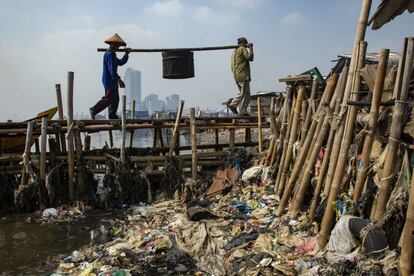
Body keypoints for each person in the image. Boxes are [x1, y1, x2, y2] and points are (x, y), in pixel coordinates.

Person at [90, 33, 131, 119]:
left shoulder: (112, 54)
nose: (118, 48)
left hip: (111, 80)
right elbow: (112, 71)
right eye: (117, 46)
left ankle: (112, 115)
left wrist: (126, 54)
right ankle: (94, 109)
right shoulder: (109, 54)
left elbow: (120, 62)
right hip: (109, 80)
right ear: (113, 45)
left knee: (115, 99)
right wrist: (119, 80)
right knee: (109, 98)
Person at [228, 37, 254, 116]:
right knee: (246, 94)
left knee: (242, 92)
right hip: (243, 75)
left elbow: (232, 67)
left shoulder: (234, 52)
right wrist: (251, 48)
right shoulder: (242, 48)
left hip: (237, 76)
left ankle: (233, 104)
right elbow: (250, 58)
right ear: (243, 43)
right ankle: (243, 112)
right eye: (246, 43)